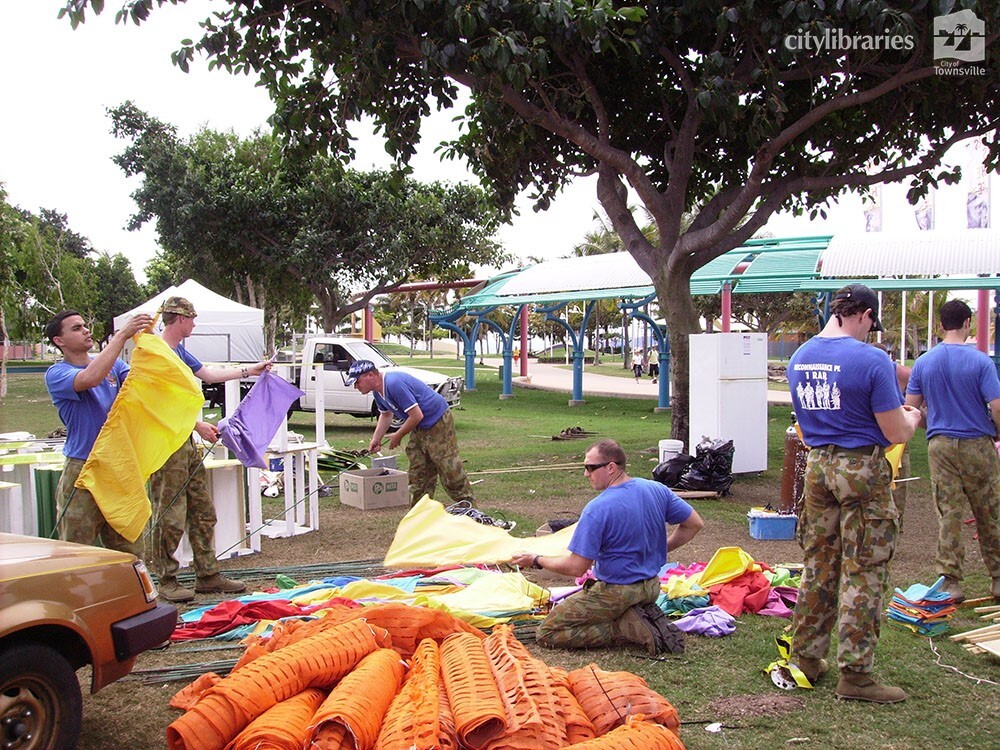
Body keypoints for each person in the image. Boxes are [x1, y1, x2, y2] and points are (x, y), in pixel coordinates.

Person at [786, 284, 921, 703]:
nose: (870, 332)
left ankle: (805, 657)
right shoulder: (871, 360)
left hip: (819, 468)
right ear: (861, 314)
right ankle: (856, 675)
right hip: (861, 467)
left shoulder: (800, 357)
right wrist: (914, 417)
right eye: (871, 324)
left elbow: (805, 427)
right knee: (864, 568)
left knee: (818, 563)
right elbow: (895, 431)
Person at [510, 439, 704, 655]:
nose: (586, 474)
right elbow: (694, 524)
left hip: (617, 592)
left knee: (547, 632)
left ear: (611, 467)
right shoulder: (656, 489)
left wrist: (536, 560)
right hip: (651, 588)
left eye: (591, 468)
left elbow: (576, 567)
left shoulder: (597, 509)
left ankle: (624, 627)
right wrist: (661, 549)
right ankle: (634, 615)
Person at [148, 296, 271, 603]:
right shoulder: (156, 353)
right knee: (170, 513)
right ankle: (166, 578)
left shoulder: (179, 352)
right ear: (178, 319)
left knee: (203, 510)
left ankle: (207, 574)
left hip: (185, 444)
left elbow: (207, 373)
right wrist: (195, 424)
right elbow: (155, 404)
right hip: (165, 446)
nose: (194, 324)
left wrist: (250, 371)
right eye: (191, 319)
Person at [904, 299, 1000, 604]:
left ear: (941, 325)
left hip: (941, 445)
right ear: (967, 323)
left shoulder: (924, 362)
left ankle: (952, 582)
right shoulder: (981, 362)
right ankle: (998, 579)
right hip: (978, 444)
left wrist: (935, 426)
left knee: (949, 513)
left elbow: (911, 409)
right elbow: (997, 406)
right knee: (990, 512)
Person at [44, 309, 154, 551]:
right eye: (76, 328)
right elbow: (90, 379)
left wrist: (151, 343)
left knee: (130, 548)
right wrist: (122, 335)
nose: (85, 330)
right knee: (77, 548)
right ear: (59, 342)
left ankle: (131, 589)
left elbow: (145, 384)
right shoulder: (57, 374)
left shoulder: (115, 365)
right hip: (84, 467)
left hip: (119, 466)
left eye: (84, 325)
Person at [346, 359, 476, 507]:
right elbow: (386, 415)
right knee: (418, 467)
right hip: (420, 425)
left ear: (370, 375)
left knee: (447, 465)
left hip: (437, 419)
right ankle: (420, 510)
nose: (356, 386)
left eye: (357, 382)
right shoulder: (377, 392)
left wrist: (398, 435)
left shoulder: (393, 383)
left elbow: (416, 415)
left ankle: (469, 507)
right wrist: (376, 439)